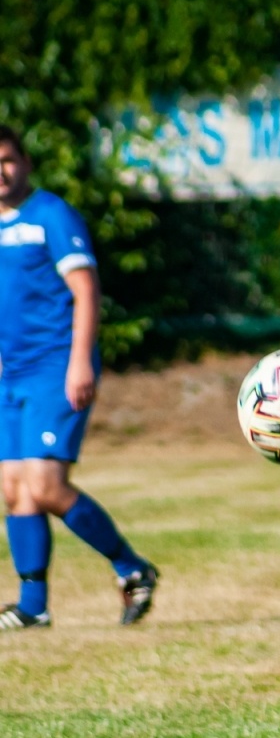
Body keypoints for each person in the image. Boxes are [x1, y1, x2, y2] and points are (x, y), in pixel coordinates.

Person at [0, 125, 158, 630]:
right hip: (12, 373)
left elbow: (85, 289)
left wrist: (79, 360)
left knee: (45, 484)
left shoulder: (51, 214)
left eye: (6, 160)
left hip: (54, 366)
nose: (0, 173)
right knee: (14, 487)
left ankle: (132, 568)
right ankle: (33, 606)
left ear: (25, 162)